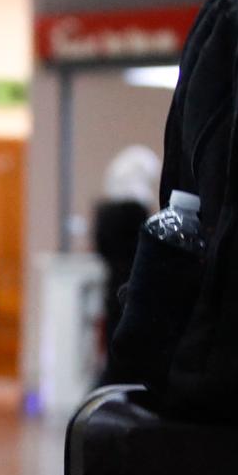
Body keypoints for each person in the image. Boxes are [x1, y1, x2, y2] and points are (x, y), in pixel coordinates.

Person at [93, 145, 159, 386]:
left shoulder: (106, 211)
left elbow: (102, 249)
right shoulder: (136, 211)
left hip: (113, 284)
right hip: (131, 284)